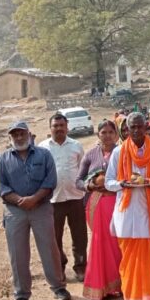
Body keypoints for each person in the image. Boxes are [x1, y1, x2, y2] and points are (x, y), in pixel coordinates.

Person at [0, 121, 72, 300]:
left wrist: (34, 199)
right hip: (15, 211)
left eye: (22, 134)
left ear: (29, 134)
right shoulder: (2, 160)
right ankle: (21, 295)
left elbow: (50, 181)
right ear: (10, 138)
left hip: (41, 207)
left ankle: (58, 287)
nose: (19, 138)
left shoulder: (43, 155)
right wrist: (21, 200)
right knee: (17, 253)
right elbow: (0, 187)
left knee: (49, 248)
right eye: (15, 135)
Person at [105, 112, 150, 300]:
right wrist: (122, 184)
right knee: (129, 259)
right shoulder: (118, 153)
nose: (135, 131)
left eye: (139, 127)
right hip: (127, 213)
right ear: (126, 130)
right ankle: (131, 298)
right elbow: (109, 182)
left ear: (146, 127)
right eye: (131, 128)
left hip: (149, 211)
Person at [77, 120, 123, 300]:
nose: (107, 135)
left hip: (118, 202)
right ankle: (100, 287)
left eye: (111, 132)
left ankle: (121, 284)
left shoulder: (122, 152)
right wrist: (91, 185)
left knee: (118, 243)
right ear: (98, 134)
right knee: (99, 243)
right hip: (96, 203)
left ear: (116, 134)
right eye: (103, 132)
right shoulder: (90, 155)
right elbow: (78, 181)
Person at [39, 113, 88, 281]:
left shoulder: (76, 146)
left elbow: (83, 171)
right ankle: (59, 267)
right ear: (50, 128)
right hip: (53, 201)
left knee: (80, 236)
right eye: (55, 126)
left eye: (62, 125)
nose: (59, 129)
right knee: (54, 238)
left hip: (76, 198)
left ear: (67, 127)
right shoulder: (42, 148)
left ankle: (81, 267)